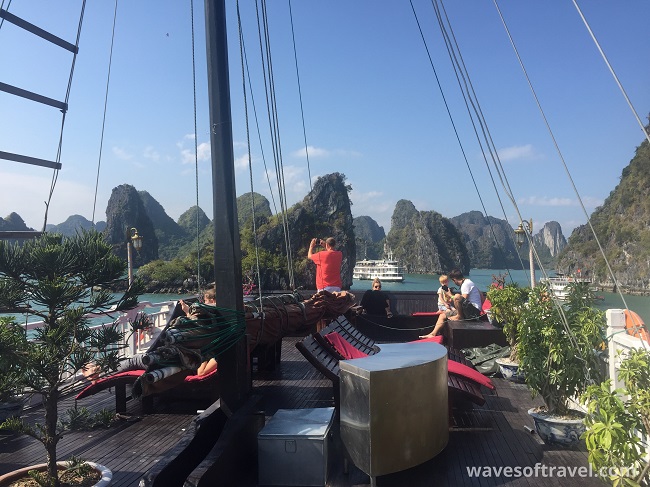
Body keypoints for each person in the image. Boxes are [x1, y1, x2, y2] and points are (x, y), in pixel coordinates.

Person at [420, 269, 482, 338]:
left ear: (454, 280)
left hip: (473, 313)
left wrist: (450, 295)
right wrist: (480, 309)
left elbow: (461, 299)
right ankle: (432, 334)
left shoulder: (466, 284)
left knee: (457, 296)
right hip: (470, 311)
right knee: (443, 315)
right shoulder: (469, 282)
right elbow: (481, 294)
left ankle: (459, 316)